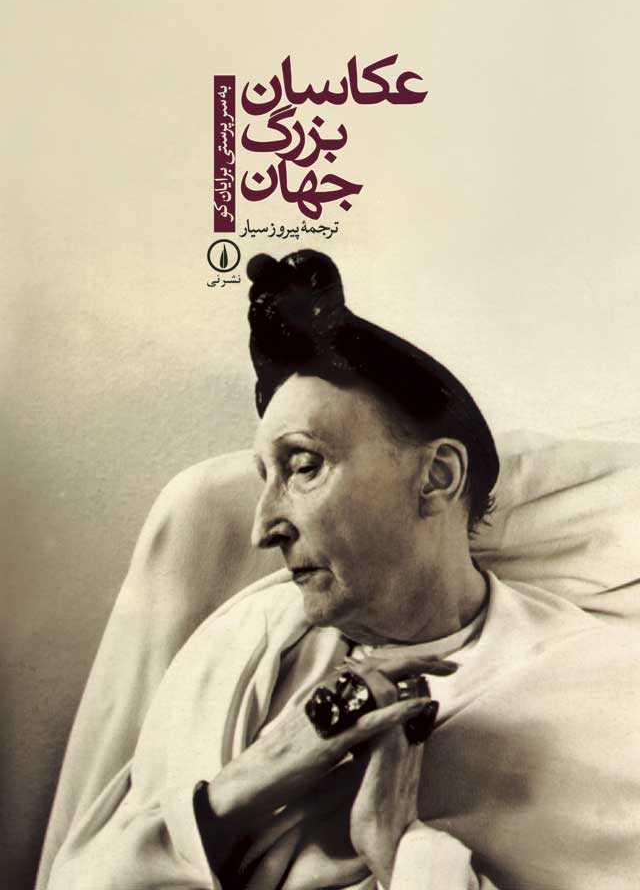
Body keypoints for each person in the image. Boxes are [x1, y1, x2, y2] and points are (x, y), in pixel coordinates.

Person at [46, 251, 640, 890]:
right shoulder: (248, 642)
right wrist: (249, 782)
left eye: (303, 466)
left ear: (438, 477)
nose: (263, 527)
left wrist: (402, 851)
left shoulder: (601, 695)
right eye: (263, 477)